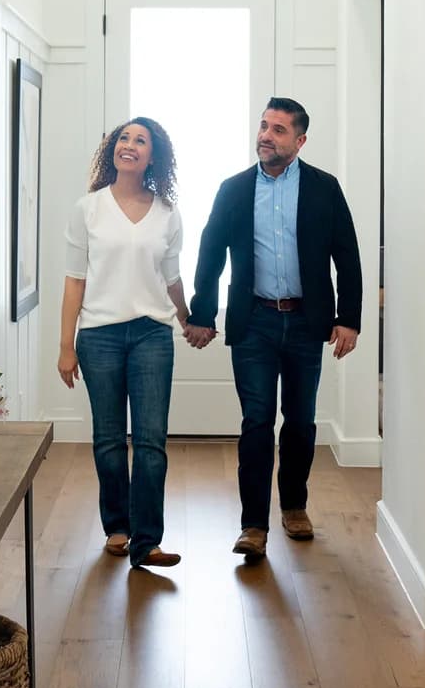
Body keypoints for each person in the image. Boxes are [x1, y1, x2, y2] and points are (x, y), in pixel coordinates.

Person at [184, 97, 362, 561]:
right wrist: (203, 315)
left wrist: (349, 319)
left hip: (307, 323)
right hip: (255, 322)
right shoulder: (235, 189)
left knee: (300, 421)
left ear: (300, 141)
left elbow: (348, 256)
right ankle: (253, 524)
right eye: (264, 126)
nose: (266, 135)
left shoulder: (325, 189)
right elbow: (210, 254)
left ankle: (295, 506)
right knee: (257, 422)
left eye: (279, 129)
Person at [58, 117, 188, 569]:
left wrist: (189, 320)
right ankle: (118, 526)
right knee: (109, 440)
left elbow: (171, 279)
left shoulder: (168, 214)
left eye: (140, 141)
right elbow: (74, 281)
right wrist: (66, 345)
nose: (129, 145)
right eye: (123, 138)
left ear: (154, 157)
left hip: (153, 334)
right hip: (99, 337)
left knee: (151, 442)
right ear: (113, 150)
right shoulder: (88, 209)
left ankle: (147, 541)